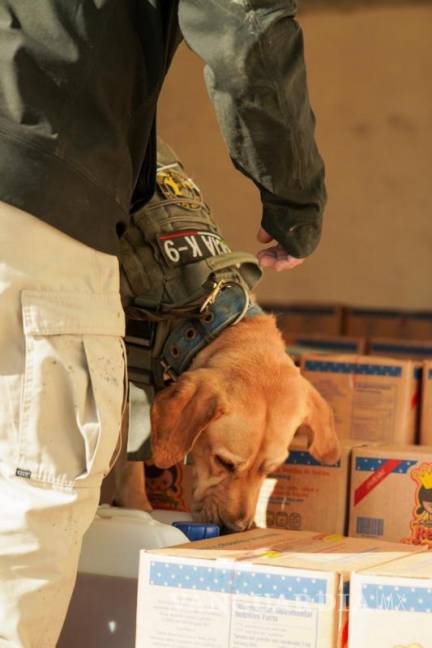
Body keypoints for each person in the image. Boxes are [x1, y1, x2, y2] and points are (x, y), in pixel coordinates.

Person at [0, 1, 326, 645]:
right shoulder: (189, 395)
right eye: (233, 464)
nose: (240, 508)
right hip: (41, 184)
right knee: (35, 500)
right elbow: (244, 24)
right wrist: (296, 200)